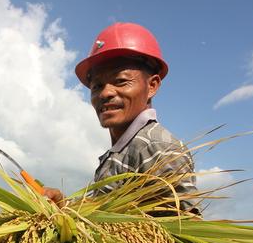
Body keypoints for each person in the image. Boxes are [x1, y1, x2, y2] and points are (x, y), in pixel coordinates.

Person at [43, 22, 199, 215]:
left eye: (121, 81)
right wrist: (64, 206)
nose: (106, 93)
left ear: (152, 86)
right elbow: (104, 216)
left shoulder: (156, 146)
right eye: (97, 86)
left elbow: (182, 232)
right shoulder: (119, 152)